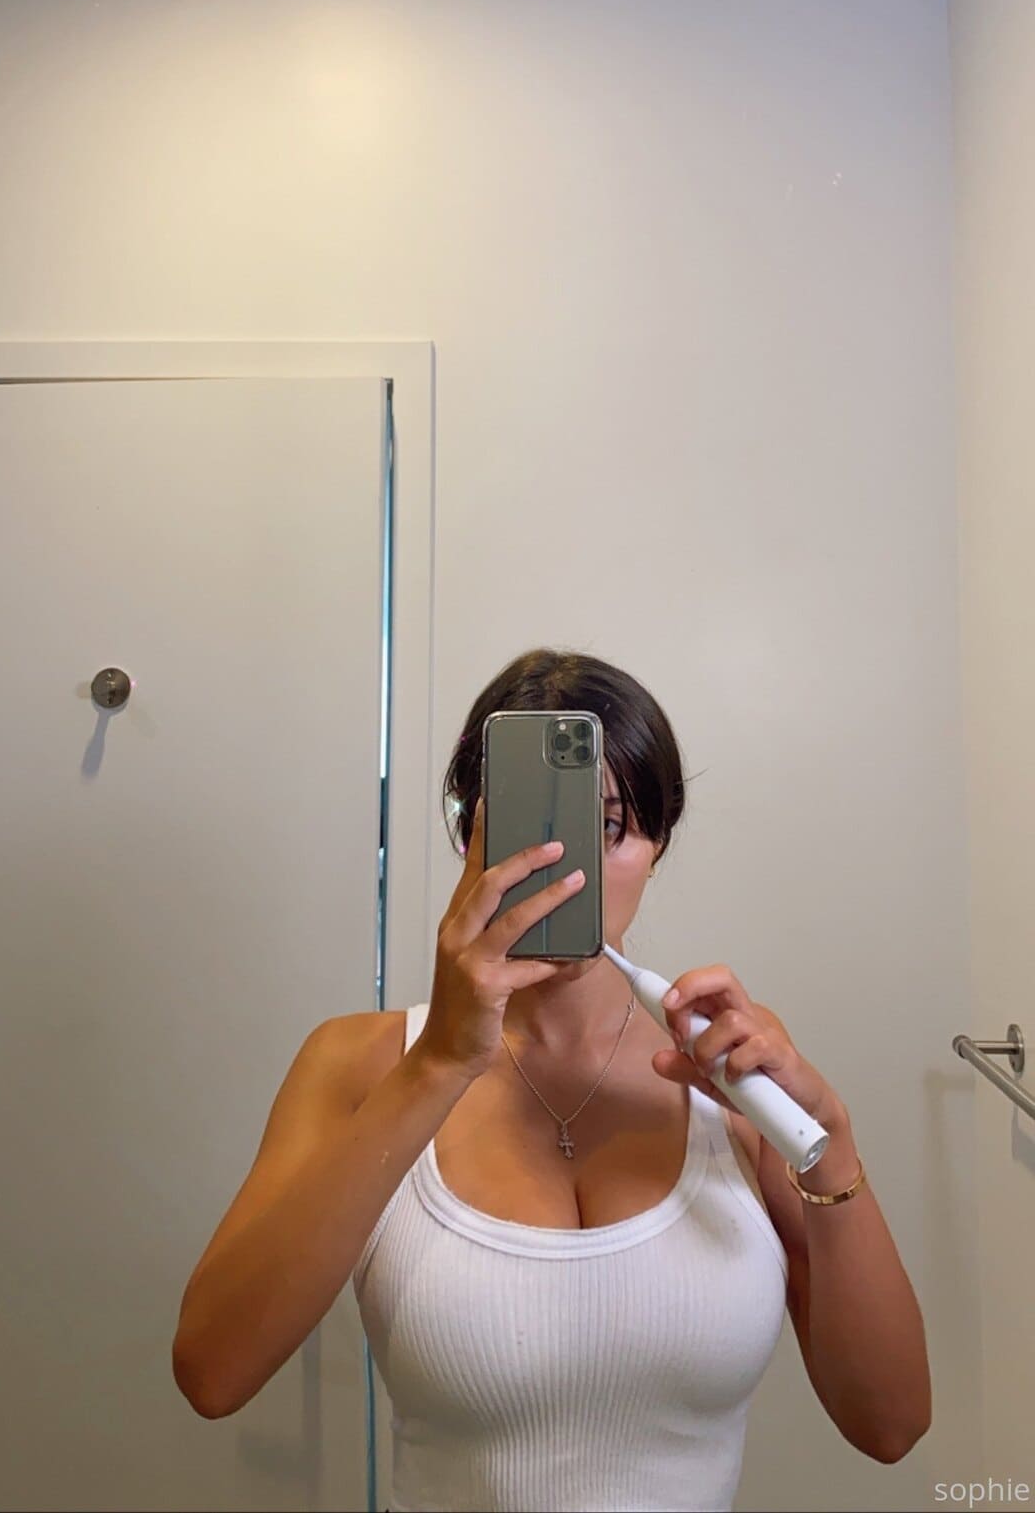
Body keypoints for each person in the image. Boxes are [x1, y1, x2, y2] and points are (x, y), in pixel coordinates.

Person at [172, 648, 931, 1512]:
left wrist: (831, 1142)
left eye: (610, 827)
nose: (571, 870)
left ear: (658, 845)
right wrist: (440, 1062)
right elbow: (213, 1372)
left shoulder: (734, 1073)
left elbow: (892, 1424)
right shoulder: (360, 1063)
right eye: (537, 827)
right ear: (471, 837)